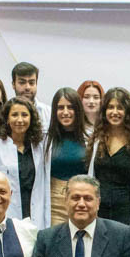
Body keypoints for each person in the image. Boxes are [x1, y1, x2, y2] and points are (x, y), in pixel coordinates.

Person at [88, 87, 130, 236]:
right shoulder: (97, 140)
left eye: (120, 108)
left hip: (126, 210)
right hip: (100, 210)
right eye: (110, 107)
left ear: (128, 112)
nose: (114, 112)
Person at [0, 97, 49, 228]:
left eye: (24, 115)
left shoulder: (40, 147)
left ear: (31, 119)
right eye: (14, 115)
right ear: (7, 119)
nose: (20, 120)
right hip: (8, 214)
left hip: (36, 214)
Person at [44, 87, 91, 226]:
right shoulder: (45, 139)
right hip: (54, 202)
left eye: (70, 107)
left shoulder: (91, 138)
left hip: (82, 201)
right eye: (60, 108)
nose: (65, 112)